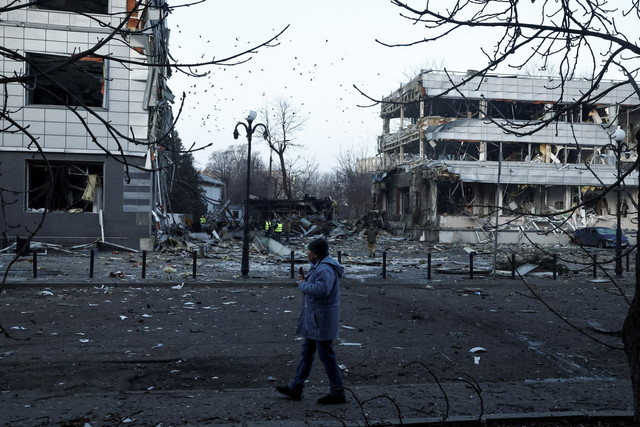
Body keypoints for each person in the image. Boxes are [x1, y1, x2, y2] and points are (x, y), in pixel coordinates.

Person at [276, 238, 346, 404]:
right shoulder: (318, 266)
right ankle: (296, 387)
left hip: (321, 320)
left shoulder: (325, 269)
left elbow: (322, 290)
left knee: (326, 355)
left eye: (309, 250)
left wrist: (302, 285)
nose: (306, 252)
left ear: (316, 253)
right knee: (307, 353)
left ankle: (338, 392)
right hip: (316, 320)